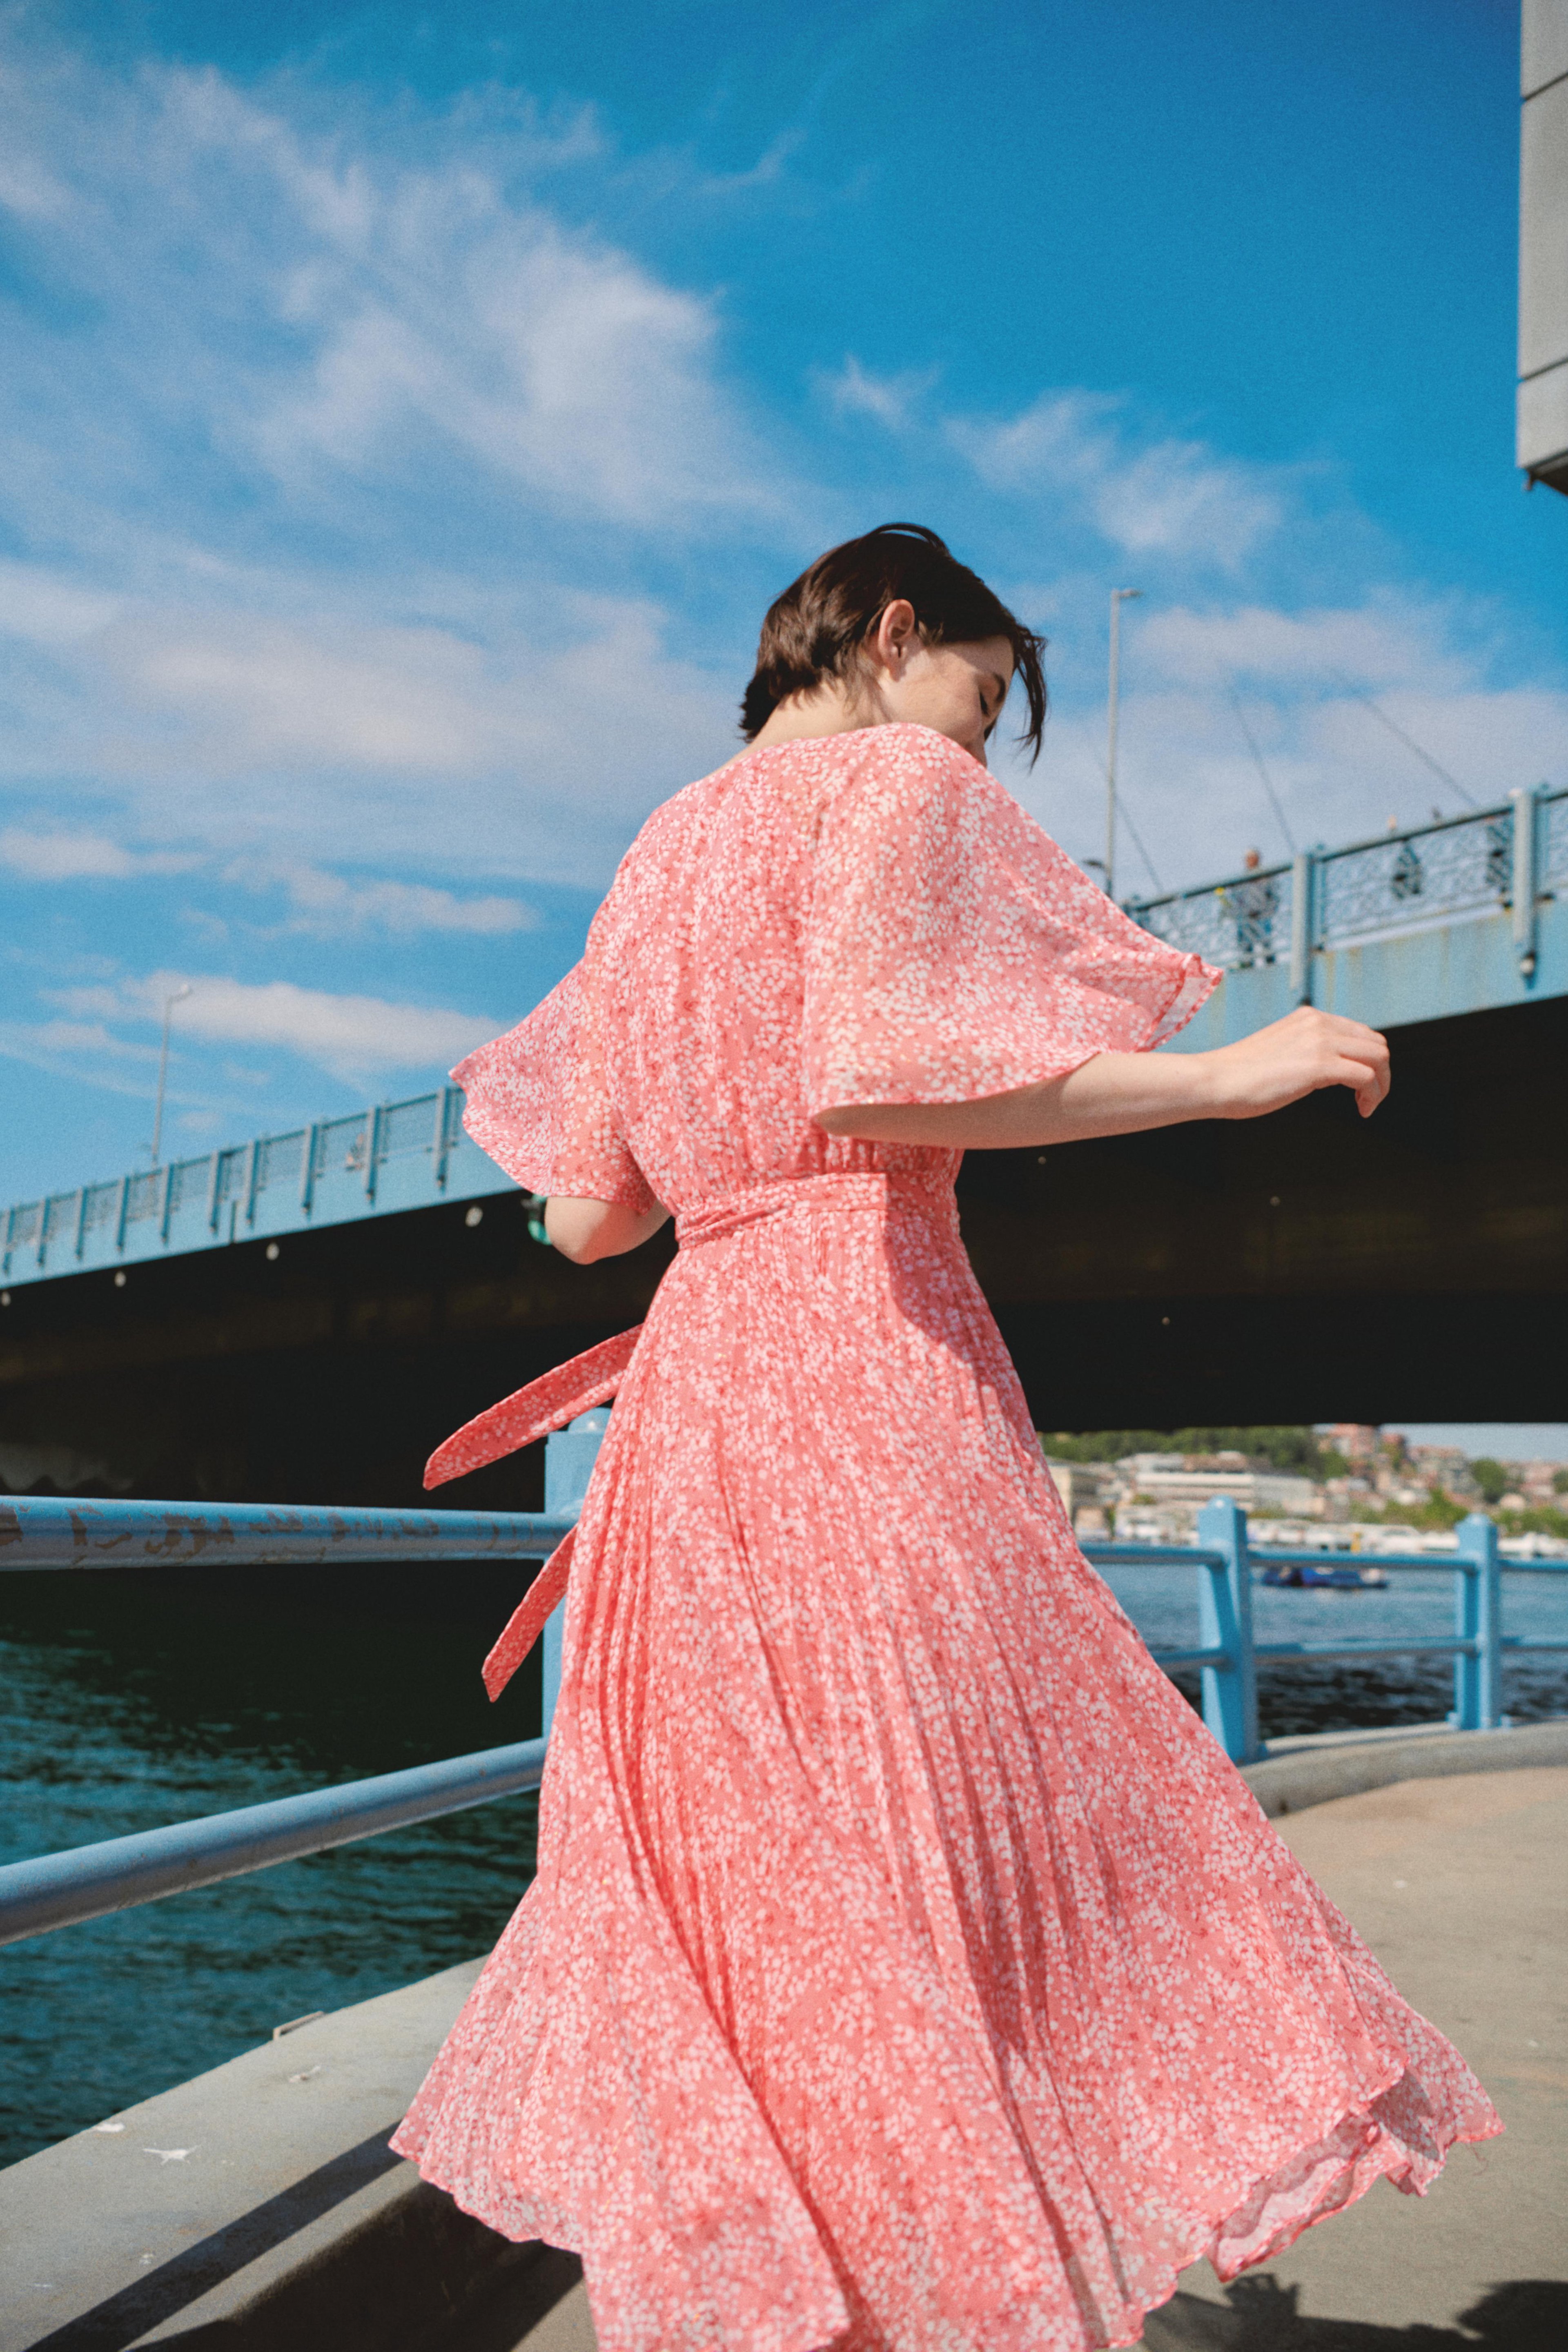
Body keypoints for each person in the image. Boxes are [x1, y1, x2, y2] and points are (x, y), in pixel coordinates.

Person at [393, 526, 1498, 2352]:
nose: (980, 752)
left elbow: (586, 1219)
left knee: (754, 1895)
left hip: (694, 1414)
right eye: (986, 703)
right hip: (865, 1373)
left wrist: (673, 1149)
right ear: (896, 635)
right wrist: (1230, 1073)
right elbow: (876, 1071)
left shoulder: (655, 853)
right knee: (978, 1849)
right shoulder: (892, 780)